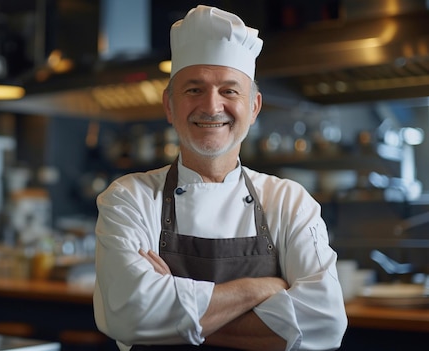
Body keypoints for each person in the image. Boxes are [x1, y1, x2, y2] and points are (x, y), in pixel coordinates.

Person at [92, 5, 347, 351]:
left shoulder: (290, 202)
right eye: (194, 90)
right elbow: (128, 314)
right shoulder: (129, 199)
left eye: (229, 90)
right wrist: (258, 290)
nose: (212, 107)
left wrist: (174, 309)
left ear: (254, 107)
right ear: (169, 105)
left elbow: (326, 323)